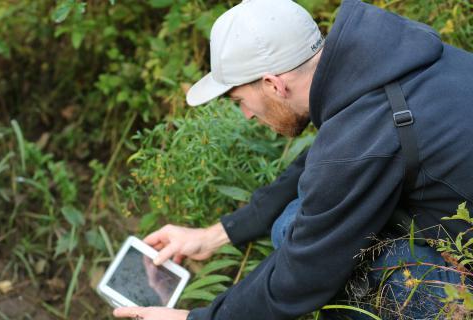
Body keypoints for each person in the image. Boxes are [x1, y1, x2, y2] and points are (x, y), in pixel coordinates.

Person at [113, 0, 473, 319]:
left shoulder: (363, 136)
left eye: (240, 101)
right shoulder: (388, 61)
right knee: (295, 220)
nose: (247, 116)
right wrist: (217, 234)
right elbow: (324, 162)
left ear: (273, 84)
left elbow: (304, 276)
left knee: (318, 252)